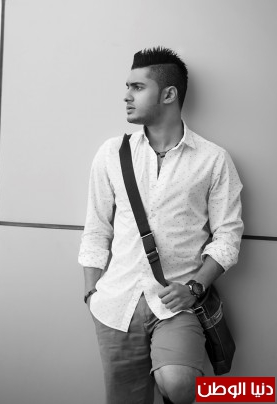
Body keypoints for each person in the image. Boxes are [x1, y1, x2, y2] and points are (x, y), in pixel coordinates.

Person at [78, 47, 243, 404]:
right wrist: (92, 293)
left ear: (169, 94)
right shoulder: (111, 153)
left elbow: (228, 237)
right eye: (127, 86)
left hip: (177, 303)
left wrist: (195, 287)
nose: (126, 95)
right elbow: (96, 229)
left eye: (137, 87)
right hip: (116, 305)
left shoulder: (213, 160)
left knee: (181, 385)